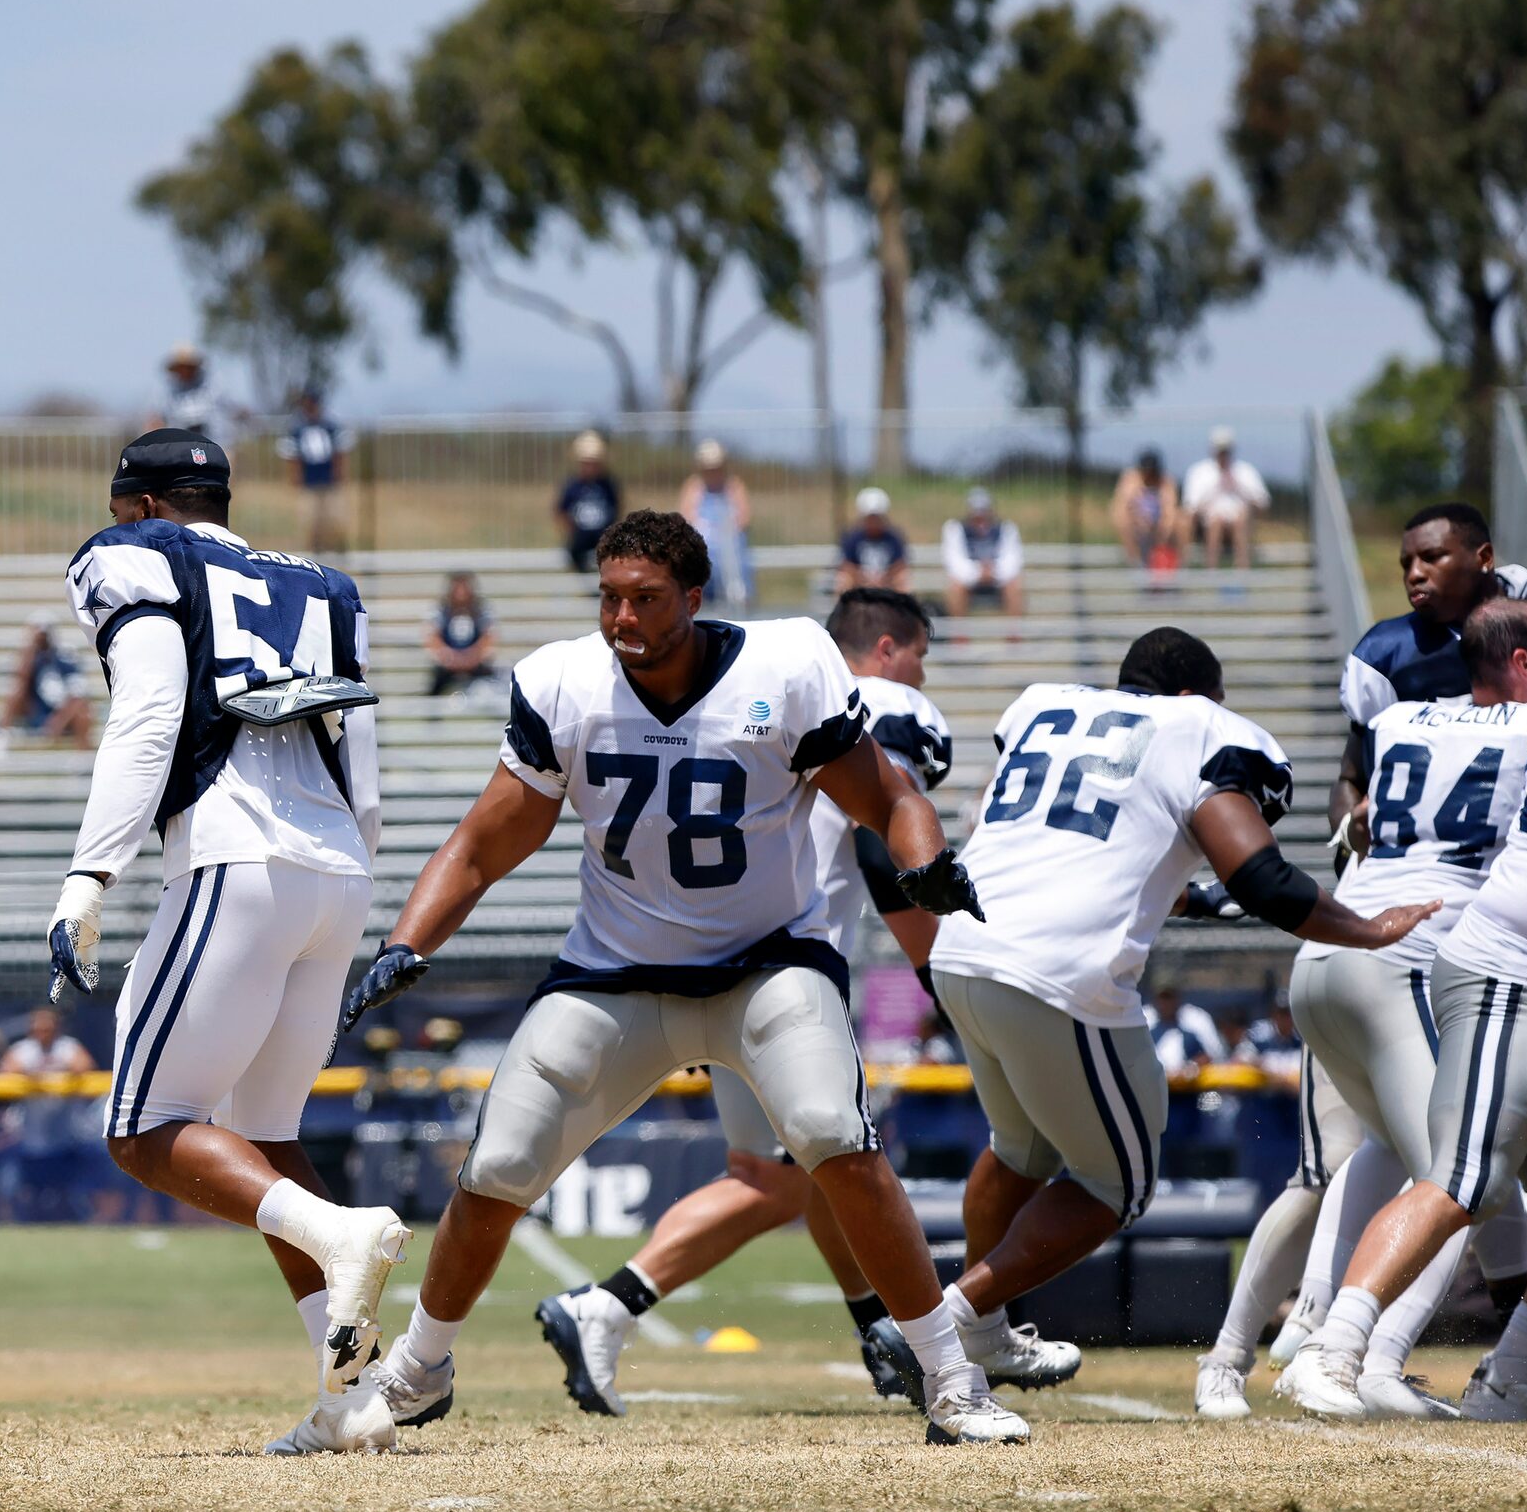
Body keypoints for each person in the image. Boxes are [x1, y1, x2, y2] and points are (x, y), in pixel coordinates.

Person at [345, 509, 1026, 1446]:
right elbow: (480, 844)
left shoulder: (782, 669)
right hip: (617, 972)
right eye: (610, 597)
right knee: (497, 1164)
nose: (622, 619)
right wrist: (406, 942)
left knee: (833, 1134)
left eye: (645, 600)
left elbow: (889, 795)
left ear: (694, 600)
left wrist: (924, 861)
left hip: (767, 965)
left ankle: (952, 1380)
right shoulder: (565, 683)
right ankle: (420, 1369)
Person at [921, 627, 1431, 1401]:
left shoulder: (1044, 707)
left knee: (1020, 1152)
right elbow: (1263, 878)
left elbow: (1080, 836)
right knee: (1114, 1185)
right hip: (1058, 970)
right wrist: (1367, 927)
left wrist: (1182, 892)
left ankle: (979, 1334)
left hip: (961, 950)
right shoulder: (1200, 727)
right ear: (1198, 696)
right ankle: (946, 1322)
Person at [43, 426, 409, 1456]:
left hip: (235, 855)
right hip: (335, 865)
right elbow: (365, 768)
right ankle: (358, 1398)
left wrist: (88, 875)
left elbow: (151, 712)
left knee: (142, 1125)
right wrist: (352, 888)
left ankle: (341, 1234)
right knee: (268, 1135)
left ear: (137, 506)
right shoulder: (324, 586)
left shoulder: (132, 554)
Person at [534, 587, 957, 1406]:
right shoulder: (891, 706)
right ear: (888, 651)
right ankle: (607, 1306)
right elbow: (884, 844)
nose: (918, 672)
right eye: (919, 654)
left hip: (714, 959)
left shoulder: (768, 691)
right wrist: (936, 974)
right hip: (790, 978)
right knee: (809, 1169)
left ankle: (881, 1327)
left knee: (810, 1170)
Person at [1262, 600, 1527, 1421]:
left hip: (1405, 942)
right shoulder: (1518, 725)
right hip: (1505, 971)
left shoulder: (1424, 721)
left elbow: (1353, 805)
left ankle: (1516, 1373)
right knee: (1458, 1175)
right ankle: (1337, 1349)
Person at [1335, 504, 1527, 851]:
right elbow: (1352, 779)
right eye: (1406, 564)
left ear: (1484, 557)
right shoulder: (1387, 653)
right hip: (1439, 859)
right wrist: (1352, 845)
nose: (1414, 574)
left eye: (1432, 557)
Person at [0, 1005, 101, 1221]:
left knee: (64, 1192)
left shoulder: (67, 1047)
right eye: (39, 1027)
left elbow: (84, 1065)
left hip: (63, 1136)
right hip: (28, 1137)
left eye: (47, 1027)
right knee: (24, 1193)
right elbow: (8, 1069)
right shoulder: (23, 1049)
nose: (43, 1031)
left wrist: (50, 1073)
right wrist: (35, 1074)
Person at [0, 615, 94, 759]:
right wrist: (31, 649)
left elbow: (78, 693)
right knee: (15, 692)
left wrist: (58, 720)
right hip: (36, 710)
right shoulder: (28, 658)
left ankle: (83, 760)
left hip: (61, 713)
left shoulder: (66, 656)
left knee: (81, 708)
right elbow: (20, 680)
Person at [677, 439, 753, 611]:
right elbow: (686, 518)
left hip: (731, 553)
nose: (712, 472)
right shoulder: (694, 487)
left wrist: (727, 529)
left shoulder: (734, 486)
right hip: (705, 549)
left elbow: (744, 518)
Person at [278, 388, 353, 557]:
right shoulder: (297, 426)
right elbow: (291, 453)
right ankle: (315, 551)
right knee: (311, 519)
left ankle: (340, 549)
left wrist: (339, 471)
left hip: (329, 479)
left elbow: (340, 450)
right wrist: (295, 475)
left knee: (335, 517)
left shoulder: (331, 424)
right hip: (309, 480)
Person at [1184, 427, 1271, 568]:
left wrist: (1238, 486)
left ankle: (1242, 574)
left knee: (1240, 519)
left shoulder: (1245, 471)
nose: (1223, 455)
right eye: (1220, 450)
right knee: (1216, 521)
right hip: (1208, 526)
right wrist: (1216, 486)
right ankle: (1212, 573)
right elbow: (1191, 507)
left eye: (1226, 450)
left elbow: (1263, 504)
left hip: (1242, 524)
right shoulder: (1199, 472)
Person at [942, 488, 1028, 617]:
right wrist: (979, 572)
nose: (981, 519)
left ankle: (1015, 634)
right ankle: (959, 635)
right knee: (956, 587)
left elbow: (1012, 561)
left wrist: (993, 571)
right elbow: (954, 562)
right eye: (977, 515)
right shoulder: (955, 529)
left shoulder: (1006, 529)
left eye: (984, 513)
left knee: (1014, 586)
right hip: (968, 581)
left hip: (998, 580)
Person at [555, 431, 621, 574]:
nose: (590, 467)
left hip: (603, 535)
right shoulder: (573, 485)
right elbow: (561, 510)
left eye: (594, 463)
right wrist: (570, 530)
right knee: (576, 551)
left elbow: (616, 508)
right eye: (587, 462)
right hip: (580, 536)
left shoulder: (608, 485)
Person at [423, 573, 498, 699]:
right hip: (448, 663)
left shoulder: (480, 609)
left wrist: (472, 657)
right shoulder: (442, 609)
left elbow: (489, 636)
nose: (461, 593)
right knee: (433, 693)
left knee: (493, 686)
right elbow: (432, 636)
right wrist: (448, 657)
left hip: (476, 663)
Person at [1110, 451, 1181, 577]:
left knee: (1181, 521)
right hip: (1136, 527)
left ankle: (1169, 564)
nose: (1148, 475)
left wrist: (1161, 530)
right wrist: (1139, 518)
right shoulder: (1130, 480)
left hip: (1159, 531)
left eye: (1151, 471)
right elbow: (1120, 508)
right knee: (1123, 520)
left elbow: (1170, 511)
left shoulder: (1166, 482)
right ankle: (1135, 562)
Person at [835, 488, 911, 594]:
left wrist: (885, 578)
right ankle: (843, 609)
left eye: (877, 518)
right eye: (871, 518)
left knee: (902, 580)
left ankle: (904, 609)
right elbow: (847, 565)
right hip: (859, 582)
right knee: (844, 581)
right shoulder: (853, 538)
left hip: (887, 581)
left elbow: (900, 565)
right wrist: (862, 578)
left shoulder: (893, 538)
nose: (874, 522)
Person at [154, 345, 234, 440]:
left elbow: (228, 408)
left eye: (188, 367)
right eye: (181, 368)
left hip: (214, 443)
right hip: (182, 444)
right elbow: (162, 416)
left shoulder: (212, 386)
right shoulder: (170, 392)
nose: (185, 371)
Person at [1149, 986, 1230, 1075]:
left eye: (1169, 999)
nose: (1166, 1004)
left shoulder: (1194, 1024)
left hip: (1188, 1084)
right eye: (1162, 999)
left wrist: (1190, 1067)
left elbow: (1213, 1056)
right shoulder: (1148, 1026)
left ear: (1177, 1000)